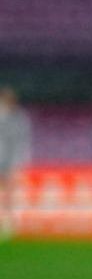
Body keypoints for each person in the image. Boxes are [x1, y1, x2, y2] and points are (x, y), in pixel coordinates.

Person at [0, 85, 31, 239]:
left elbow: (22, 140)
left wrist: (19, 161)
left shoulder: (18, 118)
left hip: (9, 161)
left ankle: (8, 222)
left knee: (9, 194)